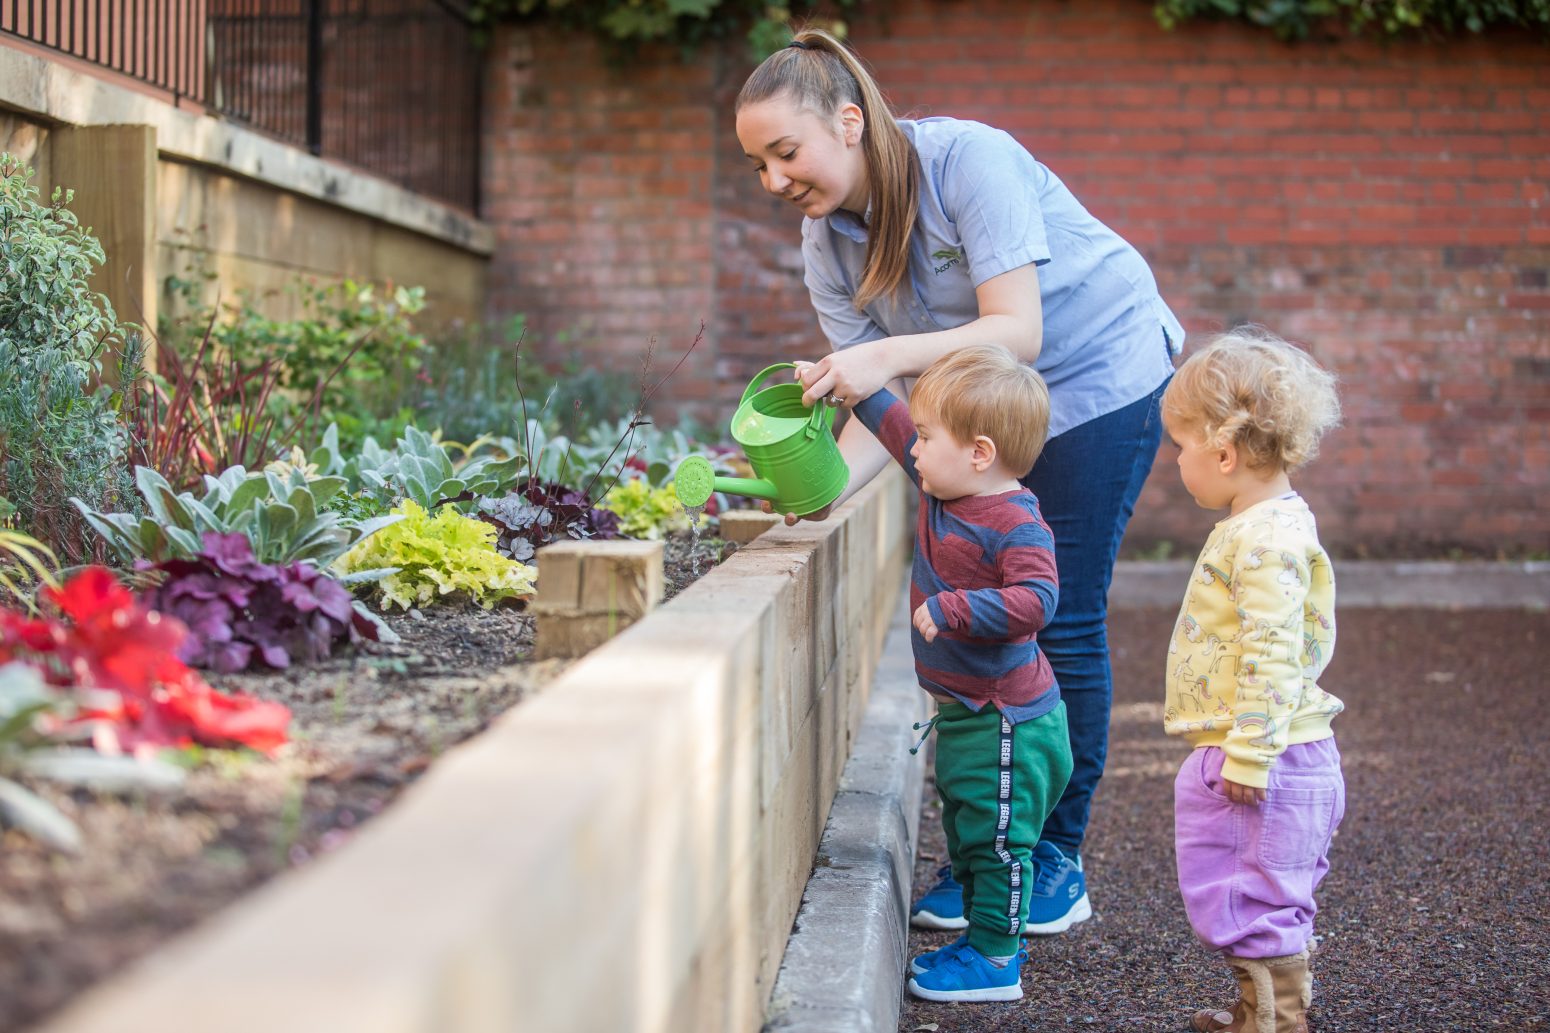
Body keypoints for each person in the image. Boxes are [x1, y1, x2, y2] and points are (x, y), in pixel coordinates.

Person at [735, 28, 1184, 934]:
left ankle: (1053, 857)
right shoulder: (826, 244)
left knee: (1058, 608)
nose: (775, 181)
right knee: (986, 621)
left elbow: (1016, 330)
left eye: (786, 153)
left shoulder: (967, 161)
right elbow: (885, 417)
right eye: (758, 164)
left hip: (1096, 374)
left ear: (850, 123)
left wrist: (883, 358)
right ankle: (993, 856)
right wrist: (821, 489)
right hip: (977, 417)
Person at [845, 344, 1070, 1001]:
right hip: (968, 712)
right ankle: (980, 942)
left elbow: (1039, 600)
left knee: (999, 843)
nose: (912, 447)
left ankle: (999, 961)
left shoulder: (1014, 521)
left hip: (1008, 720)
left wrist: (957, 606)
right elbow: (888, 424)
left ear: (978, 452)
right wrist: (844, 383)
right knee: (973, 833)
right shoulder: (944, 484)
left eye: (927, 436)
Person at [1159, 327, 1345, 1033]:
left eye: (1181, 444)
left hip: (1265, 752)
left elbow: (1272, 648)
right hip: (1275, 747)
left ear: (1225, 452)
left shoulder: (1262, 539)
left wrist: (1248, 751)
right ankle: (1256, 1010)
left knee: (1254, 891)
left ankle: (1274, 1021)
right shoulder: (1273, 521)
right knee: (1257, 888)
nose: (1177, 459)